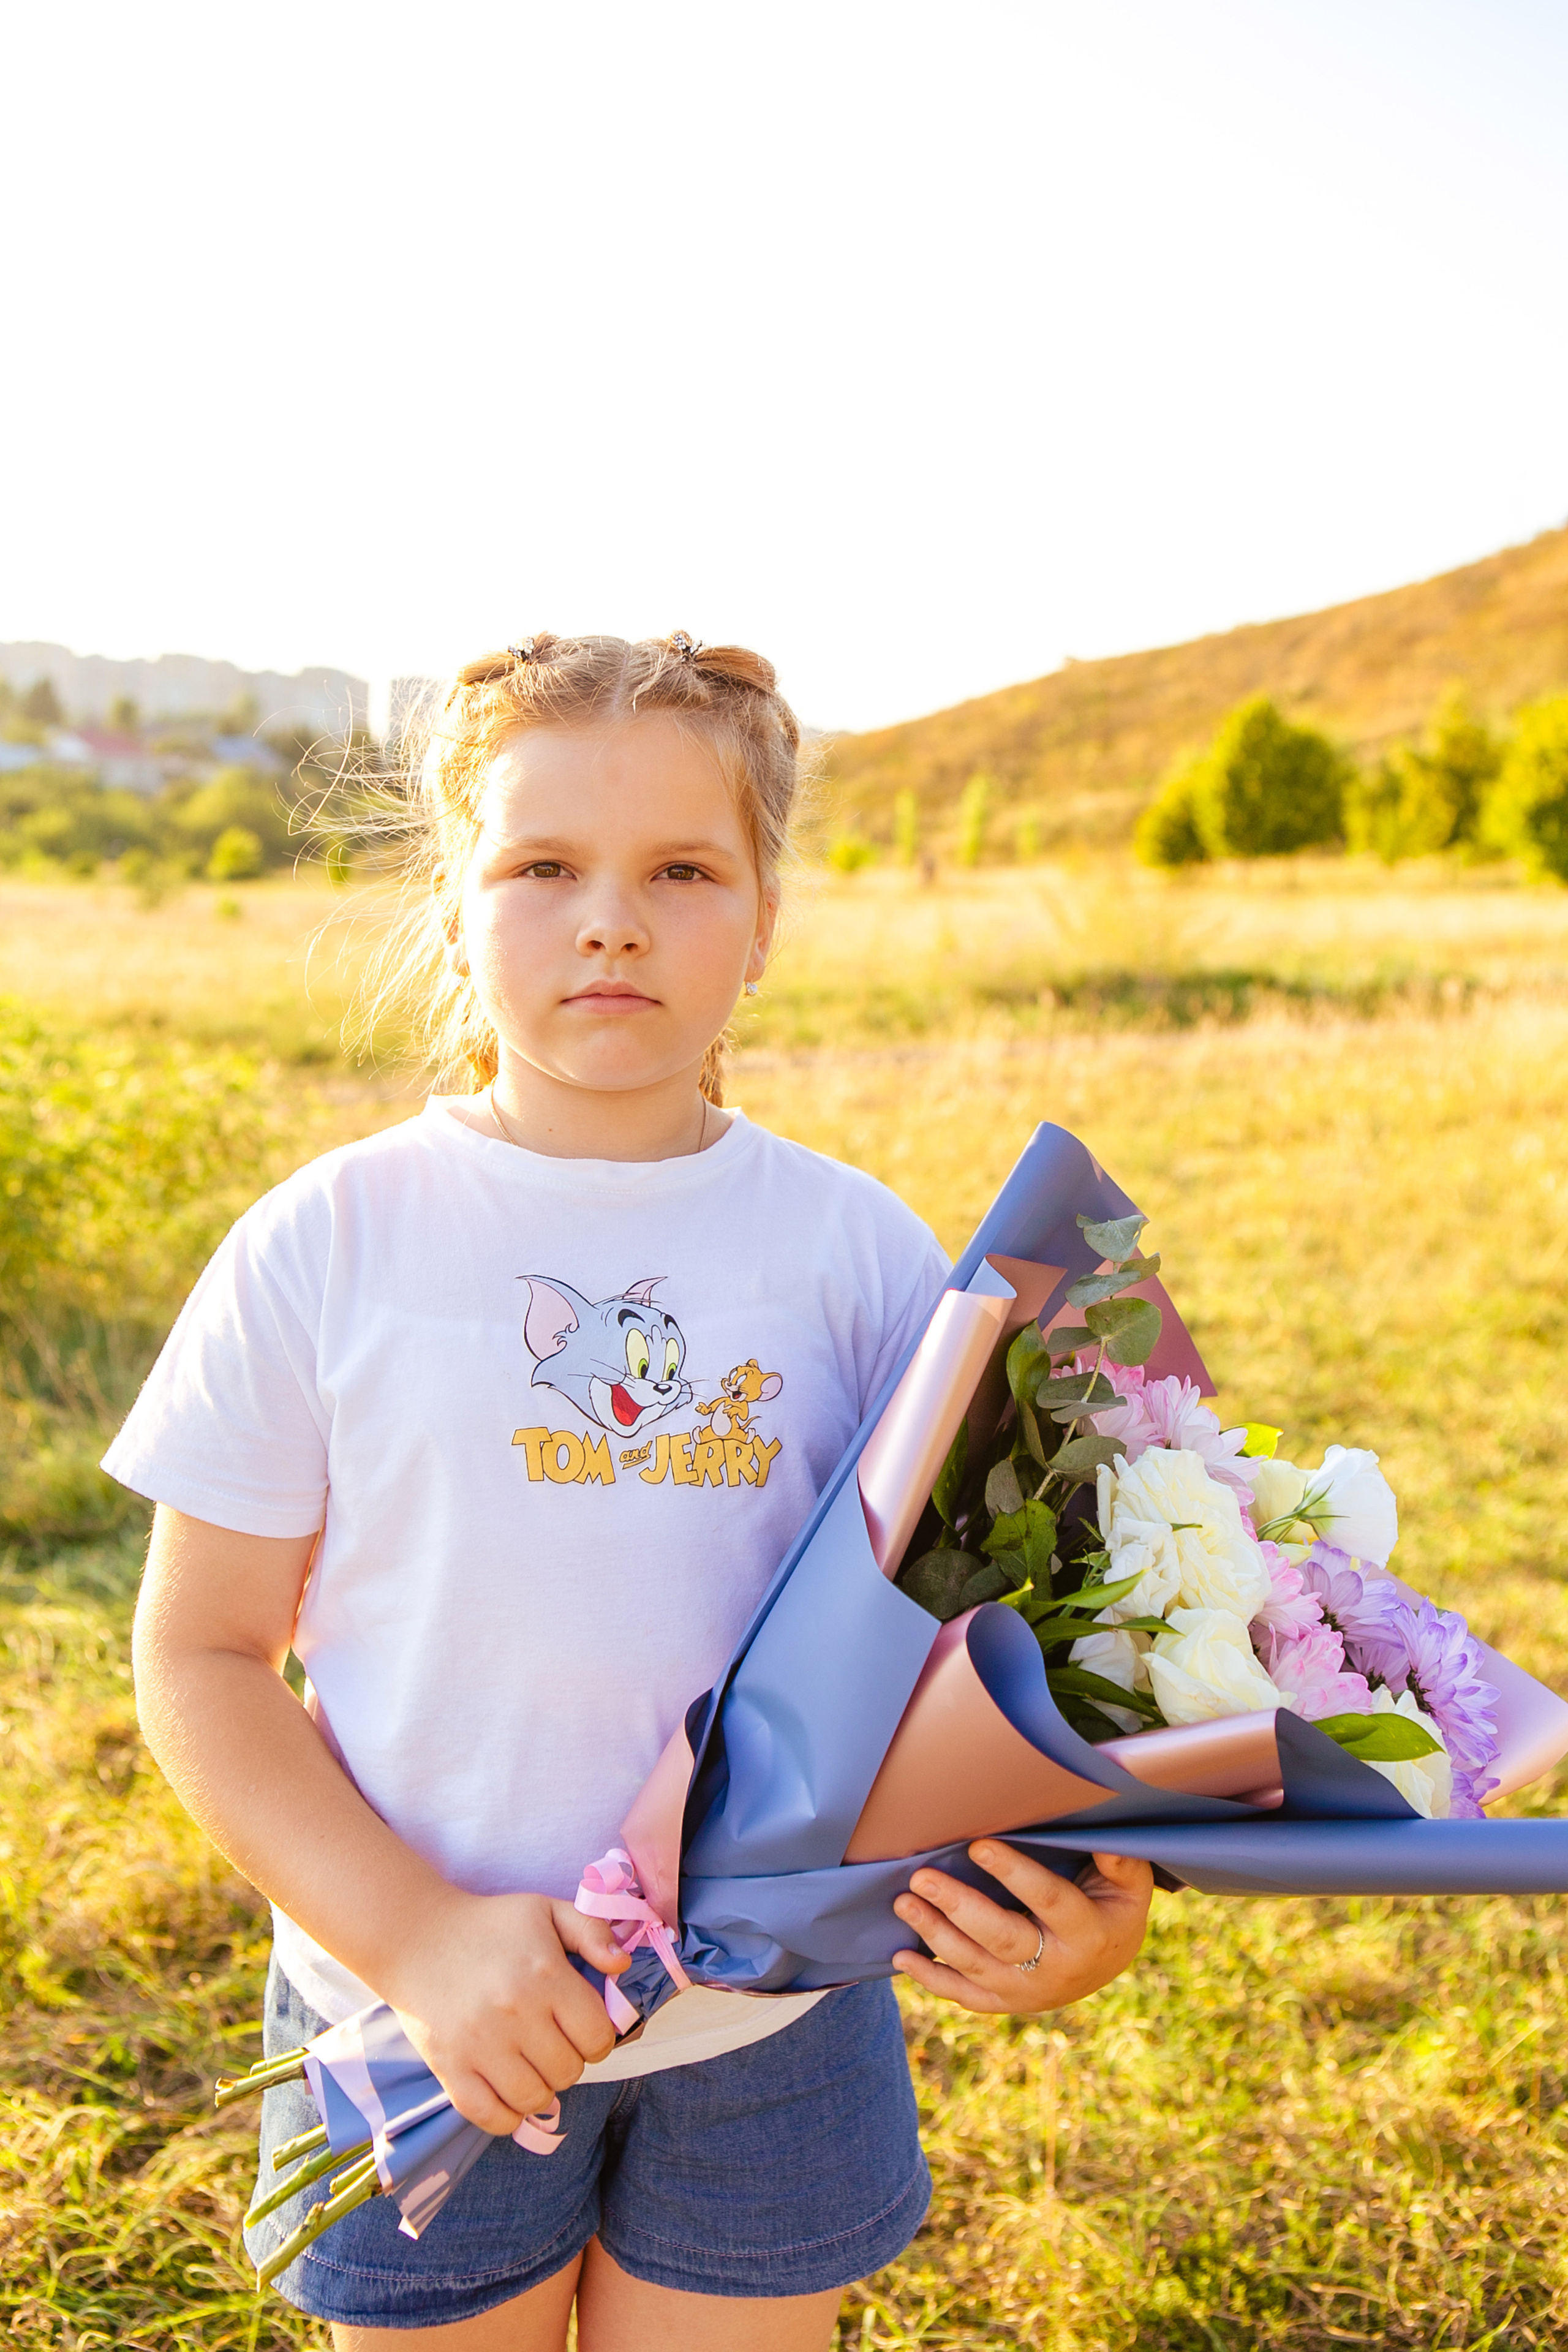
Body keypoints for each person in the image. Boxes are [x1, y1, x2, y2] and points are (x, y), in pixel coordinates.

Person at [113, 633, 1152, 2351]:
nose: (612, 919)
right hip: (424, 2017)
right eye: (542, 868)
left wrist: (1088, 1896)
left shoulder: (862, 1254)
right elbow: (203, 1659)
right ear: (456, 911)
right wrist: (423, 1940)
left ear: (764, 921)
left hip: (772, 2036)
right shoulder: (328, 1243)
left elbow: (987, 1646)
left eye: (683, 870)